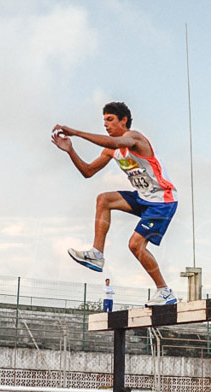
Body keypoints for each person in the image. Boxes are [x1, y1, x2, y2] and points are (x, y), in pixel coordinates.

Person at [52, 101, 179, 306]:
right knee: (104, 199)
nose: (106, 125)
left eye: (110, 120)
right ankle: (96, 254)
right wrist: (70, 150)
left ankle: (165, 292)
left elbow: (115, 142)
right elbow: (88, 172)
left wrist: (75, 132)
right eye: (104, 121)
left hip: (162, 200)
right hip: (143, 198)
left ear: (124, 120)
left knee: (135, 245)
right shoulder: (111, 151)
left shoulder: (134, 138)